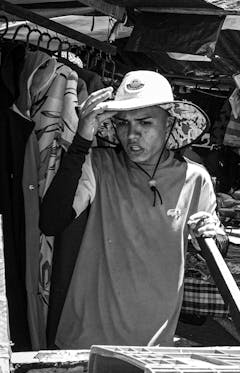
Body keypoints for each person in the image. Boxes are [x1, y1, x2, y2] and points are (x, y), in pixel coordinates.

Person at [40, 70, 226, 349]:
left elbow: (213, 252)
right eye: (123, 123)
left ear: (169, 125)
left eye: (145, 122)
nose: (131, 134)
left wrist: (215, 236)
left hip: (153, 345)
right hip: (86, 340)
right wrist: (81, 141)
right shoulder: (97, 165)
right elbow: (51, 222)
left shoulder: (195, 179)